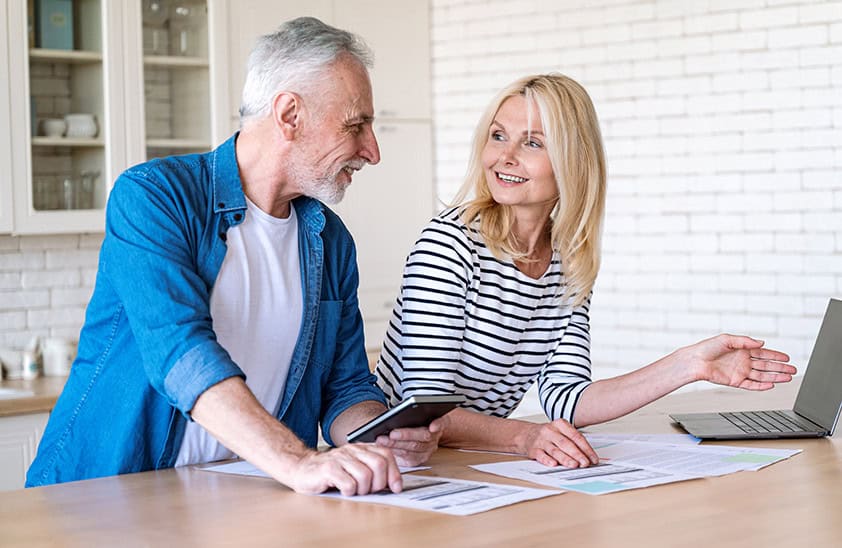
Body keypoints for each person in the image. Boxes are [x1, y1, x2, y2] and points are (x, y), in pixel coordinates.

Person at [26, 17, 439, 496]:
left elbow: (345, 386)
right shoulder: (155, 198)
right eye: (356, 125)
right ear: (289, 115)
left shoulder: (332, 241)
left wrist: (382, 433)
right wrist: (298, 462)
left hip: (244, 500)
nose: (372, 150)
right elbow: (180, 353)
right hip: (101, 497)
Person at [374, 73, 796, 469]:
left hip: (464, 460)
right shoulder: (451, 243)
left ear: (570, 161)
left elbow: (567, 399)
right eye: (498, 136)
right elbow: (421, 406)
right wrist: (524, 437)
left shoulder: (569, 260)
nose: (505, 156)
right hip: (392, 460)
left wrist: (688, 366)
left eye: (532, 143)